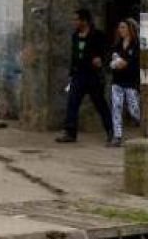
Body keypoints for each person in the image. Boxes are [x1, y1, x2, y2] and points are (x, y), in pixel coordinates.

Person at [57, 8, 114, 144]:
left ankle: (111, 131)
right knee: (72, 102)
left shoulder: (98, 35)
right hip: (79, 75)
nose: (74, 22)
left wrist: (101, 60)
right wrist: (72, 74)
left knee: (100, 104)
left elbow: (108, 52)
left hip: (93, 75)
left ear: (85, 21)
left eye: (77, 19)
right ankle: (70, 132)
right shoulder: (75, 36)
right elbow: (74, 56)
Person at [109, 18, 141, 146]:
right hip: (117, 81)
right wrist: (115, 63)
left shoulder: (136, 45)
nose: (120, 30)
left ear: (130, 29)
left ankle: (140, 119)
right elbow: (112, 59)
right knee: (116, 107)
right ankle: (117, 136)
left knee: (133, 108)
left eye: (123, 27)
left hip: (131, 81)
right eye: (120, 27)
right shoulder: (117, 45)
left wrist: (125, 64)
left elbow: (134, 62)